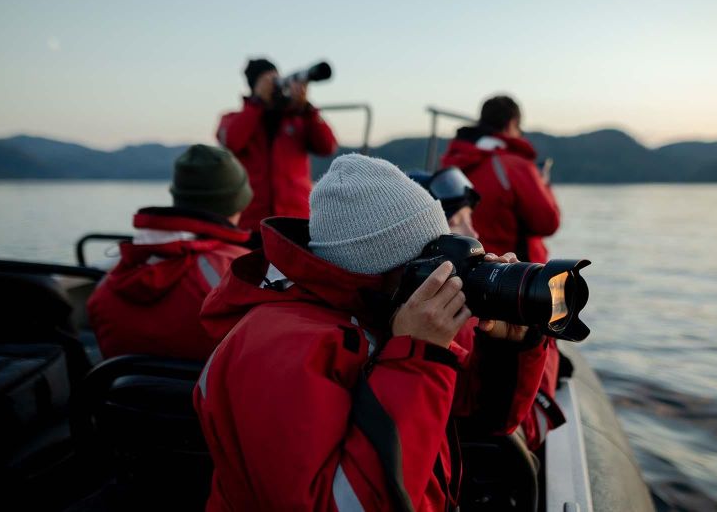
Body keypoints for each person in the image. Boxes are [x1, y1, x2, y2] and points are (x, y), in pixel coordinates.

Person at [195, 154, 551, 511]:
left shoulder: (374, 317)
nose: (446, 273)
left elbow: (480, 418)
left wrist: (507, 348)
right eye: (433, 261)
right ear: (382, 270)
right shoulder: (275, 349)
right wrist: (416, 358)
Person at [411, 166, 565, 451]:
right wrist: (537, 336)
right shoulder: (452, 326)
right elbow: (521, 427)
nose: (474, 232)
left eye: (470, 217)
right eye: (456, 222)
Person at [87, 145, 253, 361]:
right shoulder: (241, 271)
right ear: (238, 202)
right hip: (205, 393)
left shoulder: (111, 281)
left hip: (122, 391)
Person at [216, 58, 338, 231]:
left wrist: (307, 110)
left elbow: (327, 147)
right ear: (254, 86)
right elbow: (232, 141)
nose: (274, 86)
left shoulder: (299, 119)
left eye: (276, 79)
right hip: (251, 224)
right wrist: (256, 103)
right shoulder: (233, 119)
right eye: (267, 81)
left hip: (296, 222)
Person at [441, 95, 560, 264]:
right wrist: (543, 184)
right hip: (512, 271)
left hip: (467, 270)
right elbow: (548, 223)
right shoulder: (515, 166)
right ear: (512, 123)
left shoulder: (454, 164)